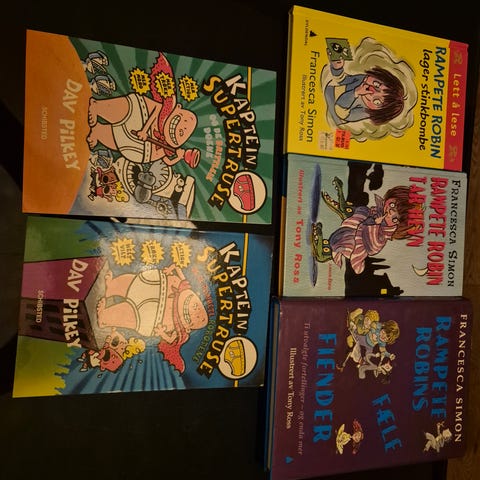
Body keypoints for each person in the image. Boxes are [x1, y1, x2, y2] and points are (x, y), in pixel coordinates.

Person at [96, 263, 208, 373]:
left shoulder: (177, 326)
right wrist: (170, 269)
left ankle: (104, 319)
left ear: (187, 327)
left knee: (127, 314)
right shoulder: (183, 284)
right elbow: (177, 267)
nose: (196, 311)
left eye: (194, 318)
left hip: (149, 318)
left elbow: (170, 339)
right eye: (196, 305)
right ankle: (111, 287)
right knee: (130, 282)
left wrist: (161, 332)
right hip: (150, 285)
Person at [324, 55, 405, 126]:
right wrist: (337, 68)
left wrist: (355, 93)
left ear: (377, 111)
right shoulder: (362, 80)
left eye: (377, 101)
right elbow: (343, 79)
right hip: (328, 92)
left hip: (331, 116)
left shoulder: (366, 112)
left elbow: (340, 112)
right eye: (376, 84)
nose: (371, 92)